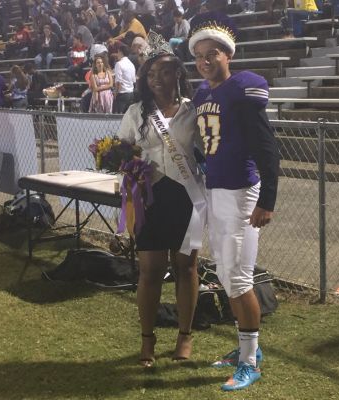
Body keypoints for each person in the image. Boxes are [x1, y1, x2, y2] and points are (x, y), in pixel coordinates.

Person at [188, 16, 280, 391]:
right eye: (199, 56)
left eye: (213, 54)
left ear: (228, 55)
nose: (205, 61)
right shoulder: (201, 95)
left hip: (242, 192)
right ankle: (247, 349)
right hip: (216, 190)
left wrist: (268, 199)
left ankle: (250, 361)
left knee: (238, 278)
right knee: (226, 275)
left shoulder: (243, 88)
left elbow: (267, 147)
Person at [117, 32, 205, 368]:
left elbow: (208, 148)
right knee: (150, 270)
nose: (157, 79)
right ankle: (147, 339)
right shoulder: (136, 111)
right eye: (151, 74)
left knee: (186, 267)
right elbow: (121, 151)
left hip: (187, 196)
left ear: (178, 74)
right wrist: (125, 166)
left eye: (164, 72)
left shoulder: (192, 110)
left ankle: (185, 335)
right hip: (150, 197)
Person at [111, 41, 134, 113]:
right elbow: (133, 80)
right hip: (131, 93)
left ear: (120, 52)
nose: (117, 54)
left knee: (116, 117)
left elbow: (119, 81)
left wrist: (115, 94)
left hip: (122, 94)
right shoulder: (131, 64)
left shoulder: (119, 64)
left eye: (118, 52)